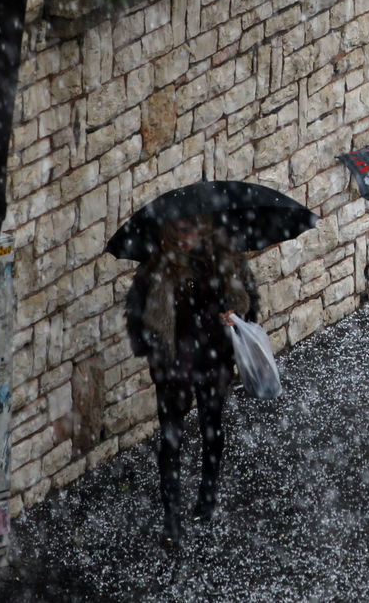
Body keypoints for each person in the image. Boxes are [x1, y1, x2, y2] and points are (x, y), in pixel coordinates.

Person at [125, 214, 258, 546]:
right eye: (179, 229)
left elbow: (250, 304)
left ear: (205, 228)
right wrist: (151, 345)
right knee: (170, 439)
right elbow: (136, 313)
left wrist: (236, 317)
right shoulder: (155, 268)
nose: (185, 237)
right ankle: (172, 515)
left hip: (214, 356)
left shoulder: (228, 262)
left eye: (192, 229)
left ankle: (207, 496)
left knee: (212, 426)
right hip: (174, 362)